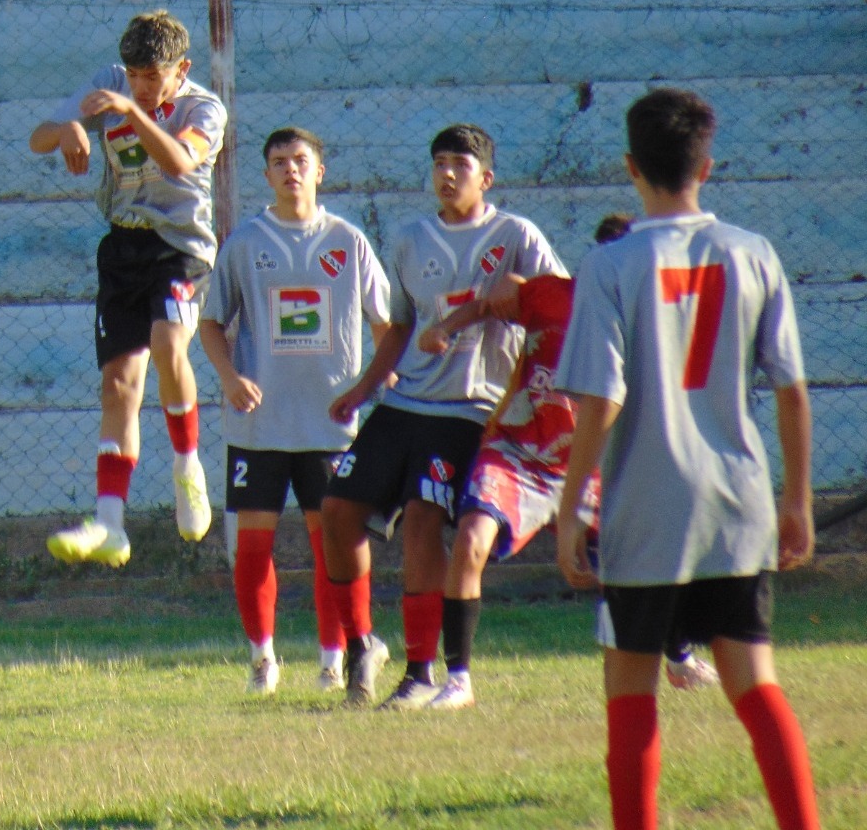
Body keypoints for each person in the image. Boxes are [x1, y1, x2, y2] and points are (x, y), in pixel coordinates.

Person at [555, 89, 818, 830]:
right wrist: (795, 498)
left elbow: (601, 398)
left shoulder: (610, 265)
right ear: (708, 164)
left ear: (630, 166)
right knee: (754, 683)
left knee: (630, 688)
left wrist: (574, 502)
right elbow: (791, 391)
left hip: (646, 505)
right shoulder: (752, 252)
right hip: (737, 500)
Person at [414, 213, 718, 711]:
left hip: (596, 464)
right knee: (470, 540)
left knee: (639, 559)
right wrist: (446, 327)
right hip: (519, 454)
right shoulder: (553, 295)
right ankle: (459, 680)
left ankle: (679, 656)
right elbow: (495, 295)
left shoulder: (657, 322)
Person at [321, 123, 564, 707]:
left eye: (460, 164)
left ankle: (421, 673)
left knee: (423, 519)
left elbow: (557, 300)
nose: (448, 174)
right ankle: (362, 644)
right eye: (439, 164)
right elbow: (400, 325)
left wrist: (515, 297)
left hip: (469, 408)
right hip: (404, 403)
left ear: (486, 177)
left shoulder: (516, 235)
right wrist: (365, 387)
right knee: (336, 510)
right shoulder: (409, 240)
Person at [198, 127, 392, 694]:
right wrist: (230, 378)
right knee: (254, 545)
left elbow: (387, 325)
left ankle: (336, 661)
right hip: (259, 423)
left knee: (328, 544)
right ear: (267, 174)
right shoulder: (244, 243)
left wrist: (370, 384)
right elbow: (210, 323)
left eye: (300, 160)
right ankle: (263, 660)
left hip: (330, 423)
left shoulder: (348, 241)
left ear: (319, 170)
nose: (290, 170)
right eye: (279, 162)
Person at [31, 10, 227, 566]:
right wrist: (68, 127)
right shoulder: (108, 83)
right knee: (119, 385)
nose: (140, 86)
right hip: (123, 247)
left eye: (153, 77)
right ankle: (110, 524)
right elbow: (37, 138)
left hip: (180, 248)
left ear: (181, 69)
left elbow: (180, 162)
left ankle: (188, 464)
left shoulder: (203, 107)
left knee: (169, 346)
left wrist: (130, 112)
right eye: (134, 76)